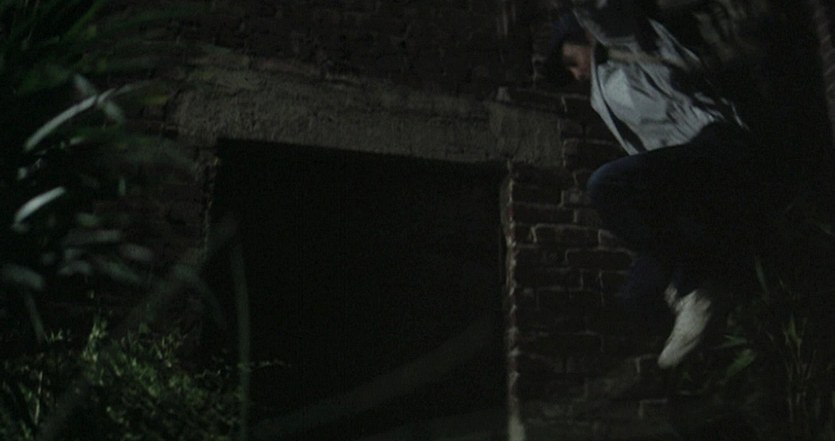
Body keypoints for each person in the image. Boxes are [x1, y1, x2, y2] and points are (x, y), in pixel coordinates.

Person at [551, 1, 775, 368]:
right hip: (682, 176)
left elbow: (595, 10)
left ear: (586, 36)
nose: (575, 75)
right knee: (637, 294)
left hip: (718, 145)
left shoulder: (624, 41)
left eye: (571, 61)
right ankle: (710, 318)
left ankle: (696, 286)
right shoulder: (600, 97)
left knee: (606, 185)